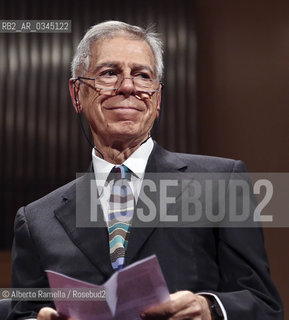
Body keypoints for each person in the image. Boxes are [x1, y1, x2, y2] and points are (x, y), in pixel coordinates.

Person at [7, 21, 283, 320]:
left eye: (142, 75)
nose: (128, 86)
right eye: (109, 73)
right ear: (77, 93)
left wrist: (210, 308)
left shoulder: (222, 182)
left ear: (158, 98)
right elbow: (24, 312)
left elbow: (264, 305)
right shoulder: (36, 220)